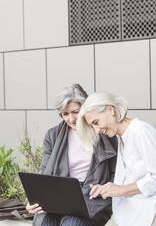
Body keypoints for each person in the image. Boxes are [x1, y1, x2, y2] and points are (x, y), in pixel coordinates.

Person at [26, 84, 117, 226]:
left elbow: (114, 174)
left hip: (92, 197)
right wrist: (34, 201)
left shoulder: (104, 132)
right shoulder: (53, 135)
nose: (71, 119)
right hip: (58, 196)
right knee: (44, 223)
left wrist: (105, 191)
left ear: (86, 108)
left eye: (76, 111)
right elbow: (43, 175)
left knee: (72, 223)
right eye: (65, 114)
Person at [76, 92, 156, 226]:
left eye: (96, 122)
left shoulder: (141, 131)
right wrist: (106, 189)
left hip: (151, 211)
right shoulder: (121, 137)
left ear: (110, 110)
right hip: (128, 211)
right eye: (92, 126)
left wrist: (121, 190)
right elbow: (130, 177)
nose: (96, 130)